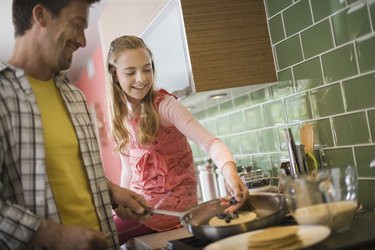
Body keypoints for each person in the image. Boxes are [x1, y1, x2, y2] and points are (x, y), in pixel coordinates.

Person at [0, 1, 150, 249]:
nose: (82, 40)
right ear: (41, 15)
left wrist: (110, 191)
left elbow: (71, 175)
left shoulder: (75, 97)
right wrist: (54, 235)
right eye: (77, 25)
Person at [105, 35, 249, 244]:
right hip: (141, 208)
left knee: (103, 235)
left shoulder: (164, 105)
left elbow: (209, 143)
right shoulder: (121, 116)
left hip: (169, 209)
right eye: (130, 72)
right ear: (115, 75)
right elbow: (128, 170)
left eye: (147, 69)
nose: (141, 78)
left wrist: (230, 172)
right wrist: (121, 207)